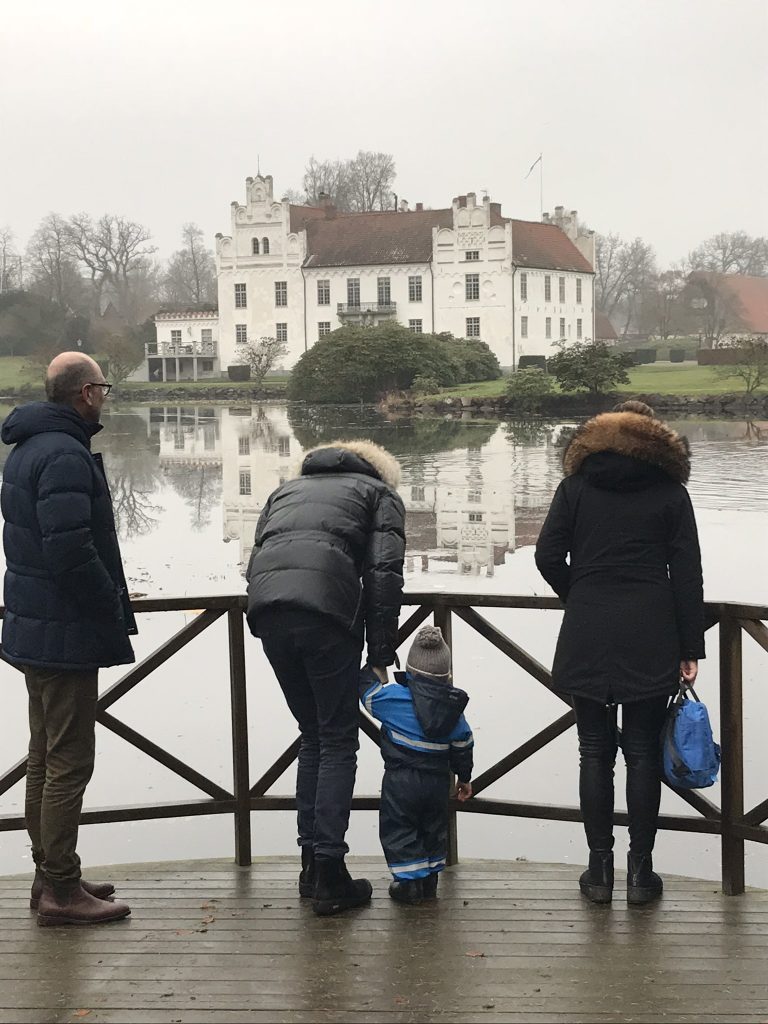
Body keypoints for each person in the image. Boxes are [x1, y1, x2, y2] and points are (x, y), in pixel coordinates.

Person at [535, 400, 704, 906]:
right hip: (651, 627)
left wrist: (581, 592)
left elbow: (547, 555)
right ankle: (641, 874)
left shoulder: (576, 487)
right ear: (655, 440)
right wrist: (690, 645)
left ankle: (598, 869)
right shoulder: (671, 493)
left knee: (592, 750)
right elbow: (688, 574)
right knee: (643, 752)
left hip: (588, 626)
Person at [1, 352, 135, 926]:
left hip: (34, 623)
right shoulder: (63, 454)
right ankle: (59, 887)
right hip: (63, 629)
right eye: (102, 385)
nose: (104, 394)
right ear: (85, 393)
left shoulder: (28, 447)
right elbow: (70, 549)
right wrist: (109, 608)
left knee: (45, 756)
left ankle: (50, 874)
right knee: (69, 762)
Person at [246, 439, 406, 916]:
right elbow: (383, 574)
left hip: (269, 612)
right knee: (337, 739)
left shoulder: (285, 491)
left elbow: (258, 555)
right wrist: (379, 652)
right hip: (326, 616)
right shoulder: (380, 496)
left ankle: (309, 867)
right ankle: (330, 872)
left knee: (312, 735)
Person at [360, 625, 473, 905]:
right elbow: (464, 744)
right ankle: (430, 880)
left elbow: (367, 696)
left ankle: (409, 884)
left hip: (401, 780)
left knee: (400, 827)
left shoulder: (394, 699)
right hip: (437, 782)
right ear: (447, 675)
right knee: (433, 827)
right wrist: (464, 778)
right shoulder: (453, 712)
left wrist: (372, 668)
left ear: (409, 670)